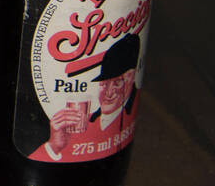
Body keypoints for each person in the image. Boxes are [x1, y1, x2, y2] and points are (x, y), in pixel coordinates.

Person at [30, 34, 141, 162]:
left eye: (117, 83)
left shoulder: (127, 115)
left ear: (131, 77)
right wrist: (54, 146)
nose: (109, 93)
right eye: (104, 84)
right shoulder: (81, 122)